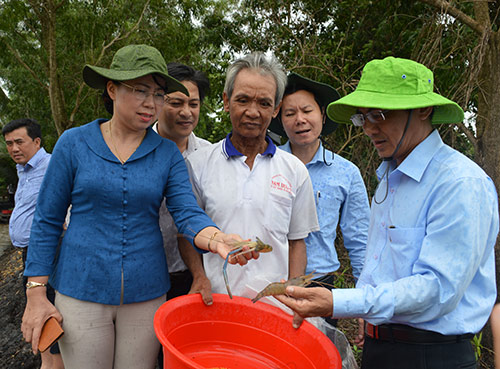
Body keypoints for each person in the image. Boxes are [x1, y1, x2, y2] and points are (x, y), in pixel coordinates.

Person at [20, 44, 258, 369]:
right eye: (140, 91)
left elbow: (186, 212)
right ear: (112, 88)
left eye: (159, 94)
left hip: (146, 291)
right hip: (81, 286)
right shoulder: (74, 143)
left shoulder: (166, 154)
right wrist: (36, 293)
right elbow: (47, 220)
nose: (151, 103)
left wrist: (217, 239)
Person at [275, 56, 499, 369]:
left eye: (379, 114)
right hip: (382, 348)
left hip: (431, 356)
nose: (369, 128)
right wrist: (369, 318)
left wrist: (341, 302)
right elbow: (378, 263)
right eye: (362, 118)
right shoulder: (389, 179)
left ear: (423, 110)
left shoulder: (459, 182)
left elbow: (437, 288)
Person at [185, 52, 319, 300]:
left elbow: (297, 241)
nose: (253, 112)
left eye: (264, 103)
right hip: (216, 301)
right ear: (226, 101)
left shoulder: (294, 170)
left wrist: (292, 291)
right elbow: (188, 230)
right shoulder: (198, 164)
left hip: (273, 306)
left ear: (277, 109)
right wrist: (198, 276)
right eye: (243, 100)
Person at [269, 72, 370, 294]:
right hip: (271, 280)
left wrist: (365, 295)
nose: (300, 119)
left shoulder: (347, 173)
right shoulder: (267, 165)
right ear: (280, 120)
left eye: (307, 110)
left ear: (322, 115)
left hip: (321, 283)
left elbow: (360, 240)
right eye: (290, 113)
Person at [2, 118, 64, 369]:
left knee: (50, 311)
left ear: (37, 142)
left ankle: (54, 364)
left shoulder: (51, 166)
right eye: (8, 144)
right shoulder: (24, 170)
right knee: (38, 314)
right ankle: (47, 361)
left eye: (19, 142)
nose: (14, 148)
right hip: (30, 254)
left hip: (51, 252)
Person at [153, 62, 213, 306]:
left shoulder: (210, 156)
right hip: (143, 277)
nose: (186, 112)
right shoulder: (135, 151)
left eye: (193, 104)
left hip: (195, 278)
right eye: (176, 103)